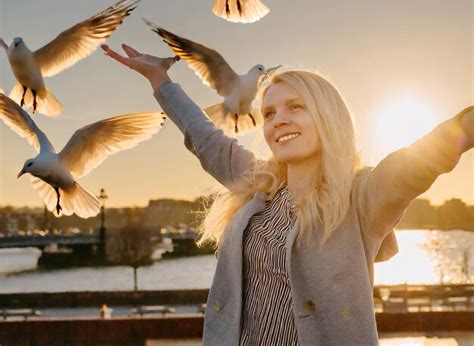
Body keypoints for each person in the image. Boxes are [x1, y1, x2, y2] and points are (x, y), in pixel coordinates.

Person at [102, 43, 473, 346]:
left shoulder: (361, 196)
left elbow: (415, 165)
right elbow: (204, 137)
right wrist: (160, 80)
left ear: (328, 116)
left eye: (296, 107)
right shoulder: (257, 183)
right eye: (269, 113)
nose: (278, 119)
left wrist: (464, 127)